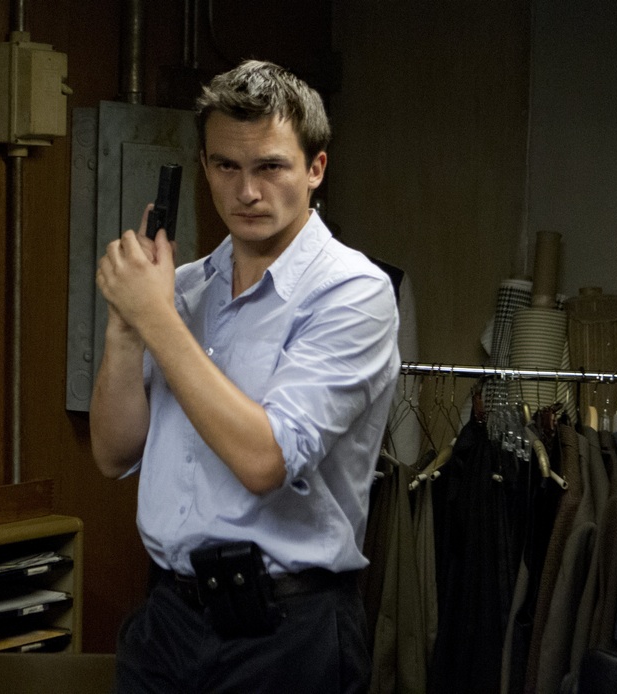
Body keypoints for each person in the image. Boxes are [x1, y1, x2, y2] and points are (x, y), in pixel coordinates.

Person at [90, 59, 401, 693]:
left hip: (286, 631)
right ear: (203, 167)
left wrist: (156, 319)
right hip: (168, 620)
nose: (247, 192)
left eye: (270, 167)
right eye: (227, 166)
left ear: (315, 168)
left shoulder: (354, 292)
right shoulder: (180, 290)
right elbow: (112, 452)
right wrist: (126, 328)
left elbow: (265, 461)